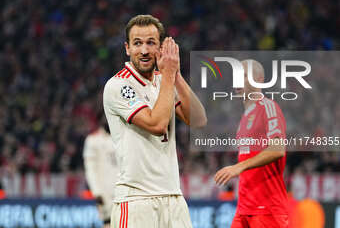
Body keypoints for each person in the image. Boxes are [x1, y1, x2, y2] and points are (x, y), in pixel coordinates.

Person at [103, 14, 207, 228]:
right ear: (127, 48)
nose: (144, 50)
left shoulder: (164, 81)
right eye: (137, 43)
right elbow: (157, 125)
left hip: (173, 198)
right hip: (136, 202)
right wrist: (168, 77)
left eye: (151, 43)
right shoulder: (118, 86)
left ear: (161, 48)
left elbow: (199, 120)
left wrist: (175, 75)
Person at [214, 60, 289, 228]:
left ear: (259, 79)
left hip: (267, 209)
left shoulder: (268, 107)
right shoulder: (244, 118)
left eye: (244, 76)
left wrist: (238, 167)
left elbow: (278, 150)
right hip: (244, 208)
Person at [83, 115, 118, 227]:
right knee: (108, 222)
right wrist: (96, 192)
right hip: (105, 192)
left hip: (123, 189)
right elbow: (90, 169)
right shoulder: (93, 140)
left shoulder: (121, 136)